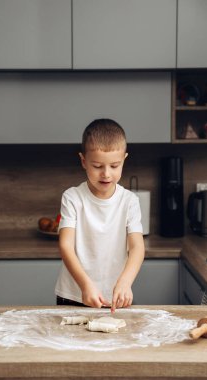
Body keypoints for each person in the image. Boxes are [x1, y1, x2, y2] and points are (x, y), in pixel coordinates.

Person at [55, 118, 145, 313]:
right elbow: (65, 245)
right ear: (83, 161)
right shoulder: (72, 197)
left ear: (124, 160)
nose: (106, 174)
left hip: (116, 296)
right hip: (74, 295)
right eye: (97, 166)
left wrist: (125, 282)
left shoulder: (130, 201)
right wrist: (85, 285)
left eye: (114, 166)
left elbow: (137, 247)